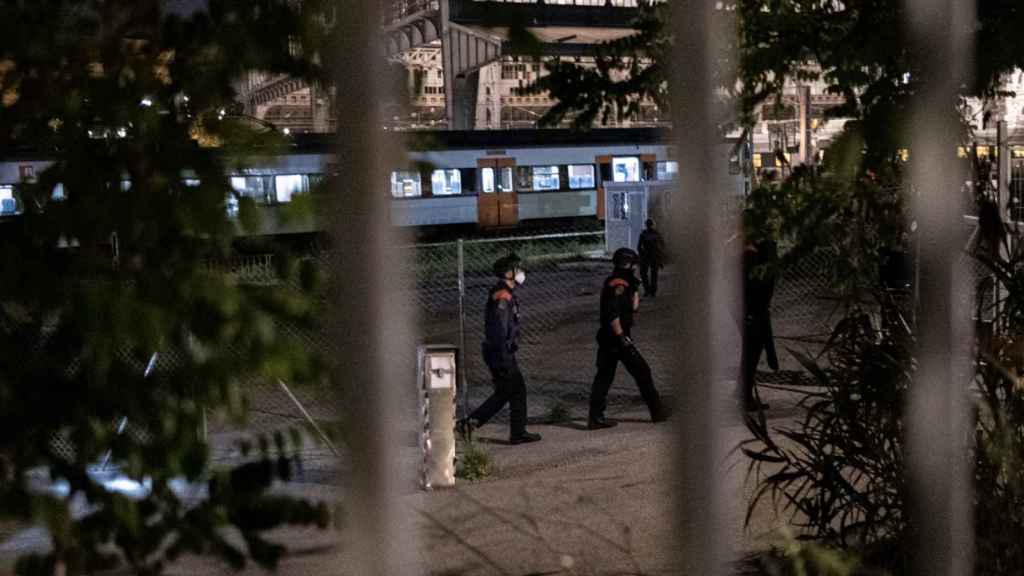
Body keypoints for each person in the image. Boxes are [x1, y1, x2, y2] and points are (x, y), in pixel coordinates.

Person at [457, 254, 542, 445]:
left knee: (511, 391)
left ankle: (515, 432)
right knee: (510, 391)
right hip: (500, 352)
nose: (521, 272)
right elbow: (498, 329)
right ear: (508, 273)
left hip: (502, 352)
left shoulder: (506, 293)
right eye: (517, 269)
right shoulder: (502, 296)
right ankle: (470, 424)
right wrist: (503, 356)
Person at [588, 247, 668, 429]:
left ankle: (595, 417)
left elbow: (633, 308)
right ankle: (658, 413)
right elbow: (612, 314)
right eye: (634, 265)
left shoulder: (624, 282)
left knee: (604, 377)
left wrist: (636, 288)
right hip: (617, 338)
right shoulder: (618, 285)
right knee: (642, 372)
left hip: (612, 338)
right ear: (629, 264)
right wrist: (622, 338)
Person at [740, 238, 778, 412]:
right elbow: (753, 285)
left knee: (753, 347)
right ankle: (745, 397)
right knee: (753, 348)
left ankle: (744, 392)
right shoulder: (751, 254)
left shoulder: (753, 251)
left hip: (754, 307)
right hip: (753, 308)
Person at [637, 218, 666, 297]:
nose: (649, 226)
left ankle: (650, 290)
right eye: (648, 225)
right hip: (649, 256)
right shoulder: (651, 234)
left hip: (652, 256)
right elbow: (639, 247)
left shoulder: (653, 234)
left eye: (649, 225)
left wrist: (660, 256)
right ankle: (650, 290)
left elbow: (662, 245)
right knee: (648, 274)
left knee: (651, 274)